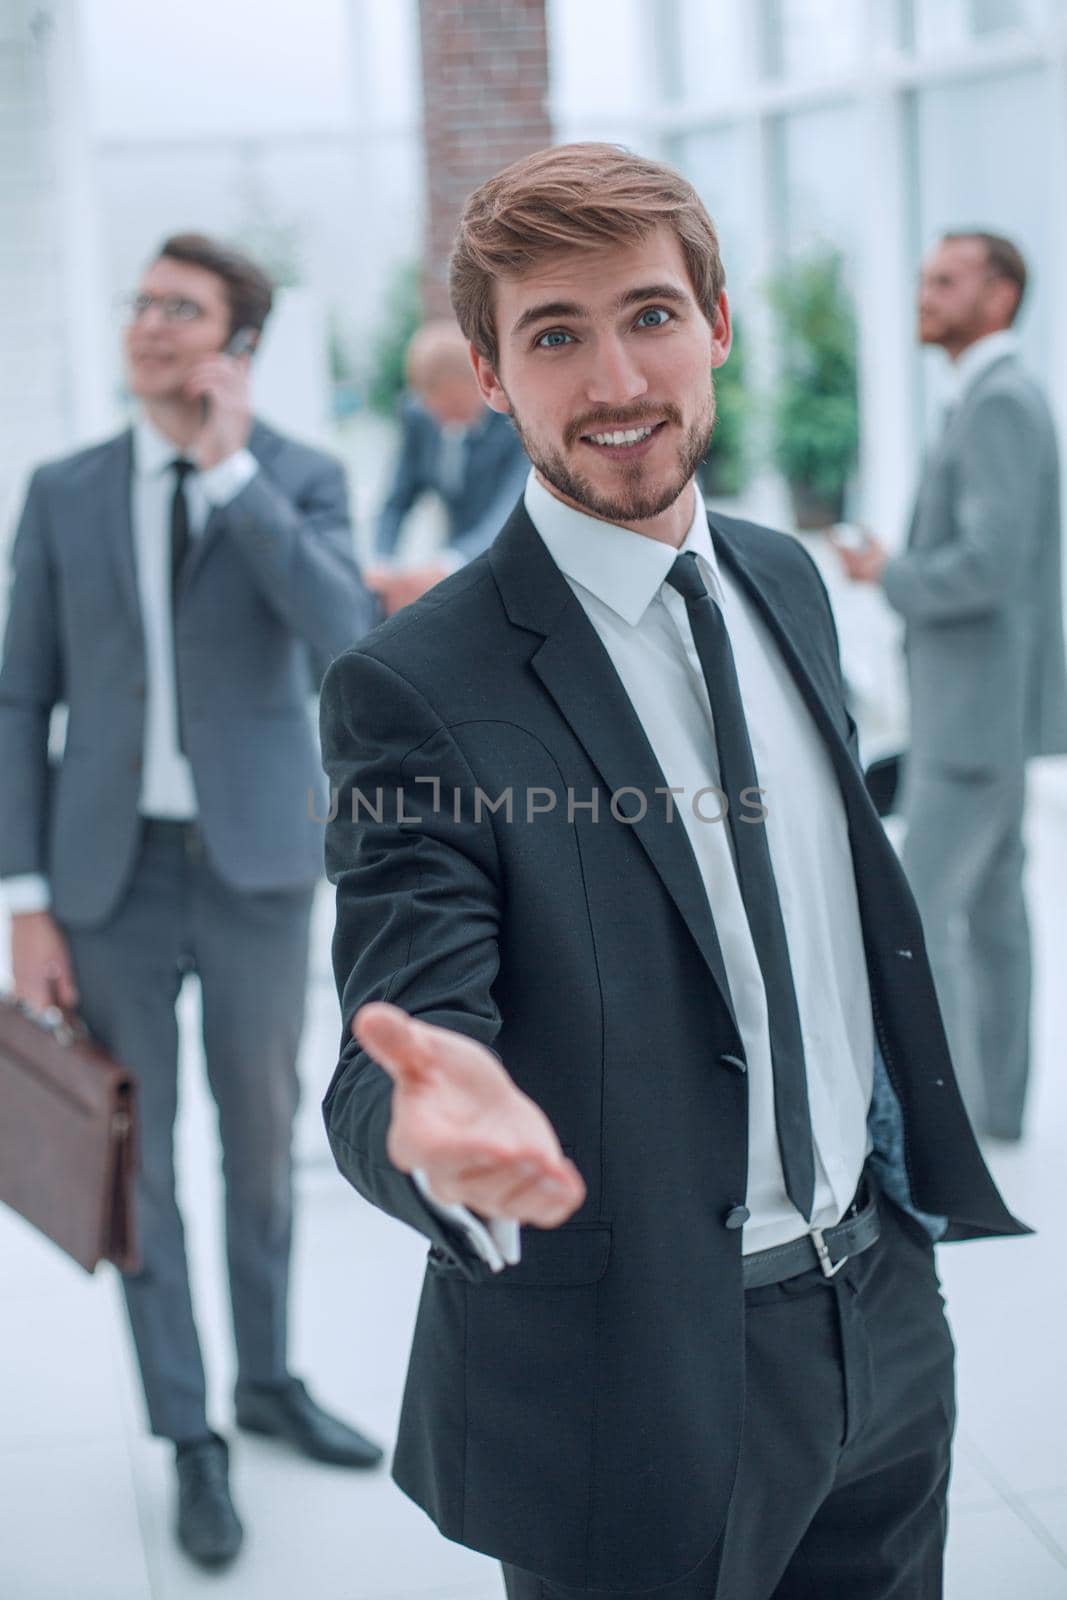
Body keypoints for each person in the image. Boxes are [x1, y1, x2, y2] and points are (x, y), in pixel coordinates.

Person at [319, 146, 1025, 1600]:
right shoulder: (417, 688)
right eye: (554, 335)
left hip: (878, 1312)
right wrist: (432, 1128)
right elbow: (400, 1032)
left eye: (645, 314)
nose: (613, 378)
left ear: (715, 322)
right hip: (627, 1380)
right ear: (492, 374)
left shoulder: (782, 580)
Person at [0, 233, 383, 1570]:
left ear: (235, 344)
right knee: (140, 1163)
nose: (150, 326)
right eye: (142, 302)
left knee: (260, 1145)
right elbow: (18, 697)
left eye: (183, 308)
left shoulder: (297, 478)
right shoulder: (63, 491)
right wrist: (27, 898)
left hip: (261, 871)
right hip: (106, 878)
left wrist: (228, 472)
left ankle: (265, 1382)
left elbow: (348, 639)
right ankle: (188, 1434)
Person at [838, 231, 1067, 1142]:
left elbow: (987, 566)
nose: (923, 295)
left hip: (971, 717)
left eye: (944, 282)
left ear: (1000, 297)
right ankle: (993, 1112)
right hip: (983, 710)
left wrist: (888, 575)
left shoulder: (999, 403)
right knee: (991, 911)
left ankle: (952, 1121)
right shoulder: (986, 398)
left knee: (920, 911)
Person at [367, 319, 529, 615]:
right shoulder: (417, 417)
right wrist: (383, 561)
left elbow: (509, 510)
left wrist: (449, 563)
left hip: (510, 558)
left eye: (456, 406)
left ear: (482, 384)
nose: (447, 419)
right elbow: (397, 498)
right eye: (437, 408)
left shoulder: (515, 421)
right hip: (452, 553)